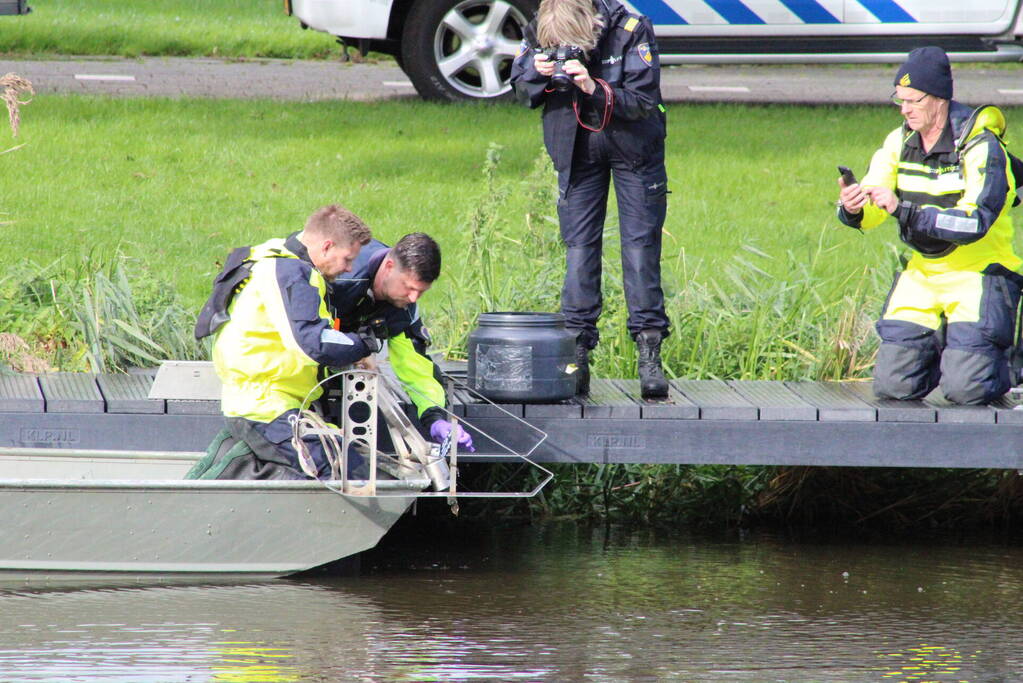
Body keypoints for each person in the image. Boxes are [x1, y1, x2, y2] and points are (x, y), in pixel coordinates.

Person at [837, 46, 1022, 405]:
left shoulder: (983, 147)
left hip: (979, 275)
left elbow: (974, 222)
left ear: (939, 99)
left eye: (913, 100)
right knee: (894, 387)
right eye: (899, 100)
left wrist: (905, 211)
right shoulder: (898, 141)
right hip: (923, 275)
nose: (904, 109)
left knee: (967, 390)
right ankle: (950, 352)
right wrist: (855, 208)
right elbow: (879, 202)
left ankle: (989, 363)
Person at [510, 0, 671, 399]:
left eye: (572, 44)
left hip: (634, 150)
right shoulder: (541, 26)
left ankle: (649, 355)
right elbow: (520, 85)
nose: (565, 49)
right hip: (576, 150)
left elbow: (643, 100)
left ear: (592, 28)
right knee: (579, 253)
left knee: (639, 251)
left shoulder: (631, 28)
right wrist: (537, 70)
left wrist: (591, 86)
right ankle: (577, 355)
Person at [327, 232, 473, 451]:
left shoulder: (403, 308)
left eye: (421, 291)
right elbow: (303, 336)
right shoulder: (341, 275)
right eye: (409, 287)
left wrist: (435, 419)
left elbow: (415, 368)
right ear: (389, 266)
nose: (413, 298)